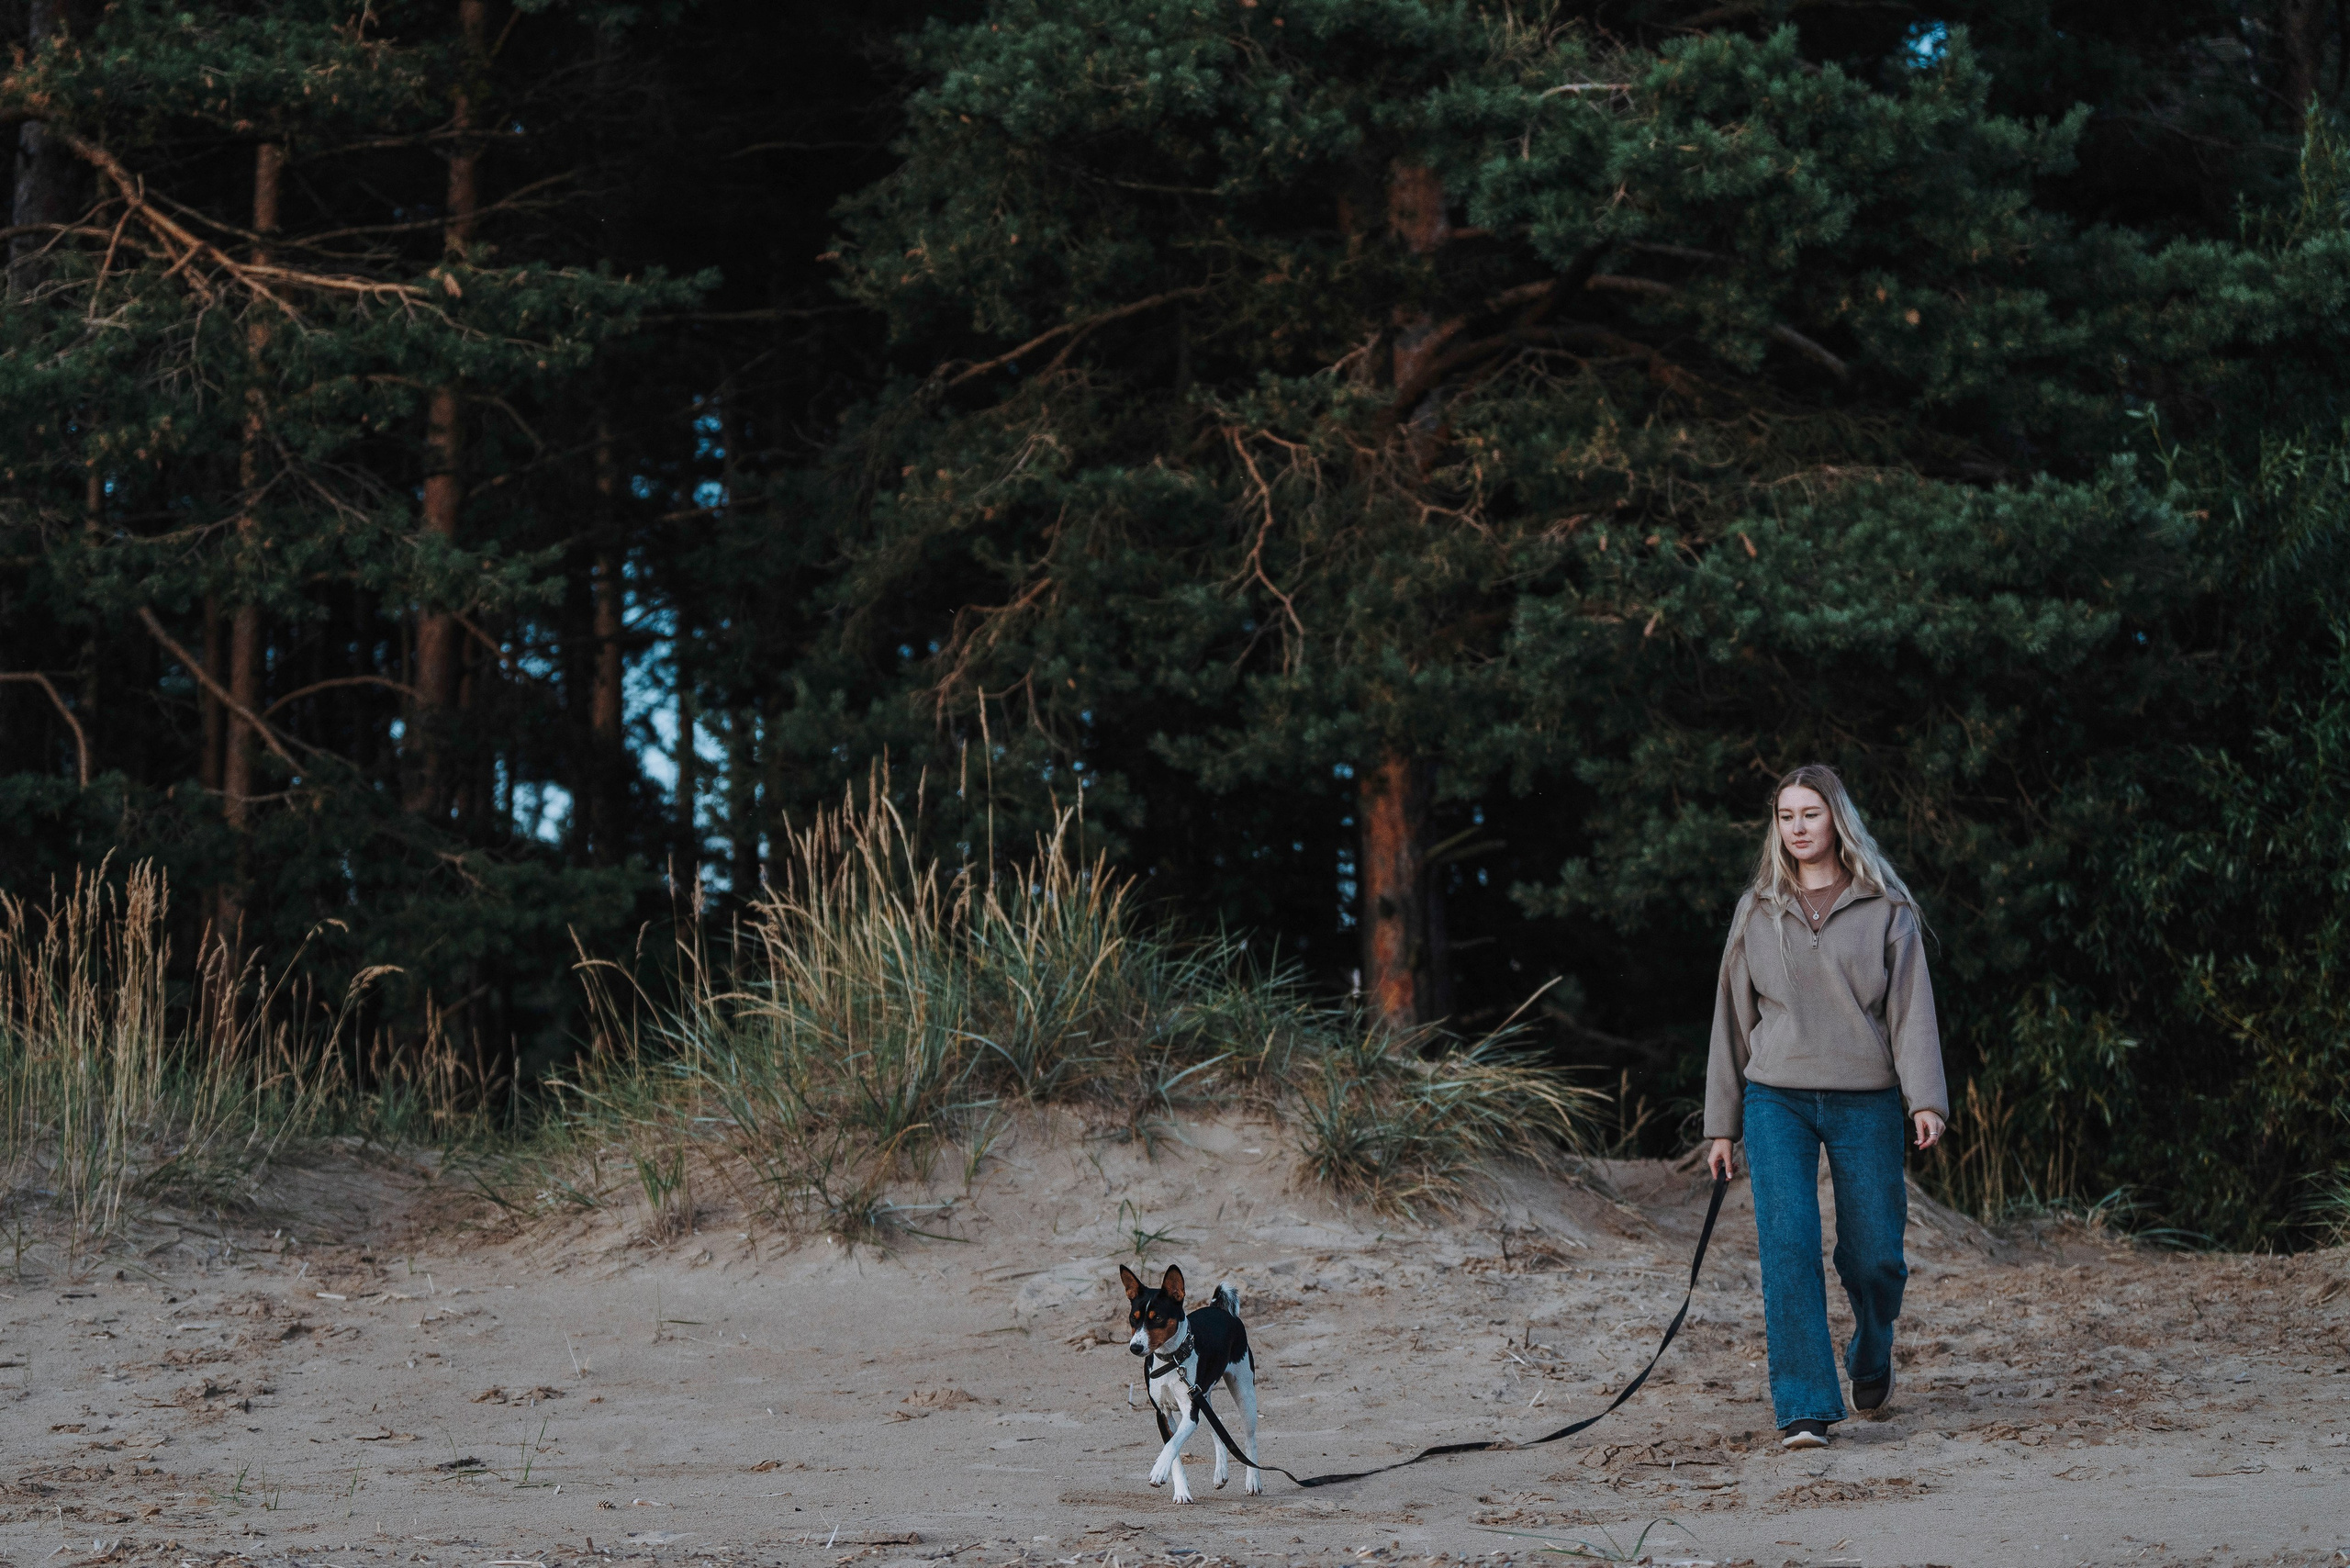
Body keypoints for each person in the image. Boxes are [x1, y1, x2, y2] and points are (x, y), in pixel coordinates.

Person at [1704, 764, 1948, 1451]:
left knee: (1875, 1256)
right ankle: (1805, 1406)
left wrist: (1925, 1097)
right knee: (1788, 1244)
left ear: (1837, 820)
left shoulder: (1885, 909)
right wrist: (1721, 1124)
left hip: (1865, 1098)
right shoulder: (1757, 910)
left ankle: (1873, 1345)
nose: (1798, 828)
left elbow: (1910, 1012)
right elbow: (1729, 1017)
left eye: (1810, 814)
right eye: (1786, 816)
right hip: (1775, 1096)